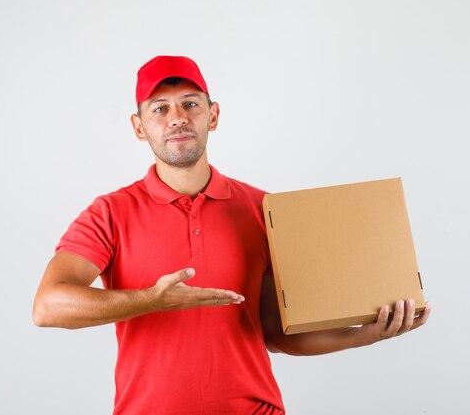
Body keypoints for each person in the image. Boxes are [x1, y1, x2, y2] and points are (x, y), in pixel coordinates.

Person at [32, 55, 431, 415]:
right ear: (139, 126)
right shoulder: (110, 213)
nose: (177, 118)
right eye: (160, 109)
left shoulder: (265, 209)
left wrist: (363, 335)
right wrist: (151, 300)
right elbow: (48, 306)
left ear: (214, 115)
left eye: (191, 104)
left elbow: (277, 332)